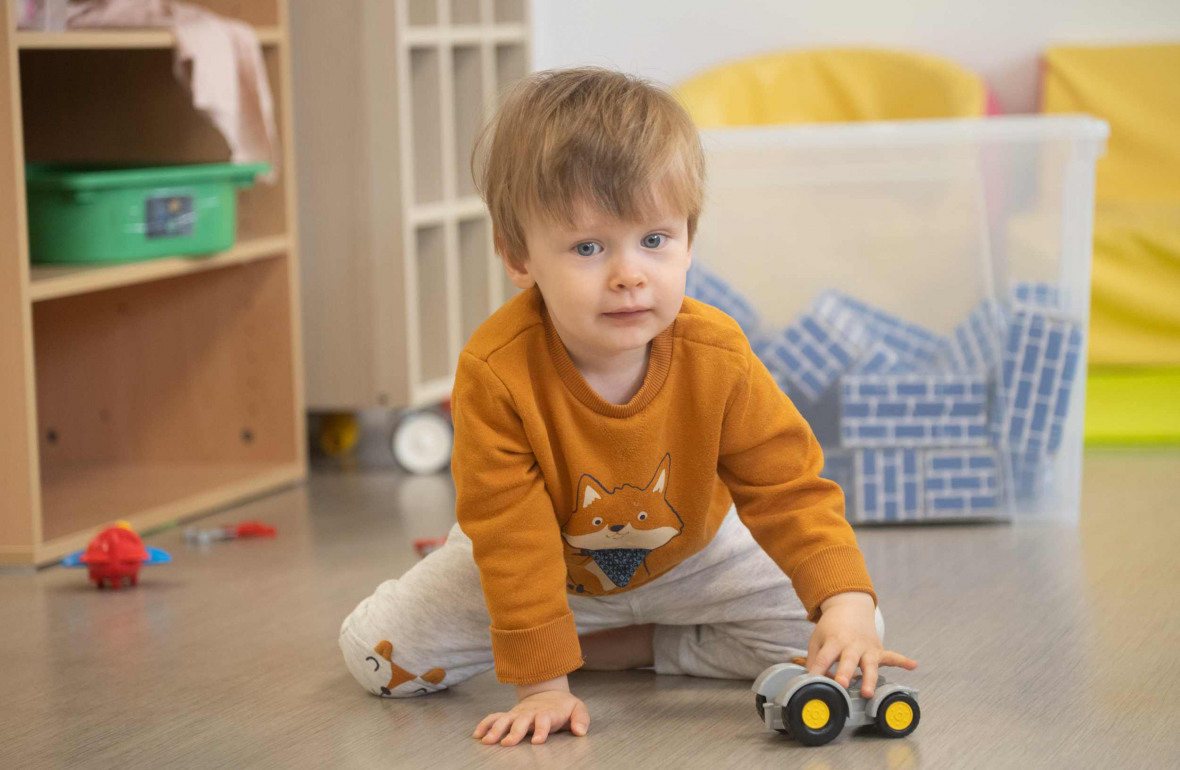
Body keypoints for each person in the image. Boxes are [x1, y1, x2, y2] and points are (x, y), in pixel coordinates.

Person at [339, 66, 917, 747]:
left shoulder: (718, 353)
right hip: (551, 567)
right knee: (380, 658)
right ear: (518, 256)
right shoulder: (495, 372)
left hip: (696, 554)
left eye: (654, 240)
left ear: (688, 240)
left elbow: (786, 485)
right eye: (588, 247)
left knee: (848, 632)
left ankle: (635, 644)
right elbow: (514, 537)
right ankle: (563, 637)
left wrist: (844, 601)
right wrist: (542, 685)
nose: (629, 275)